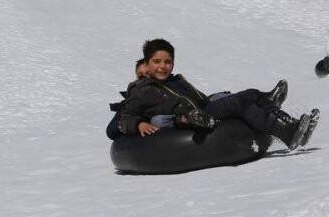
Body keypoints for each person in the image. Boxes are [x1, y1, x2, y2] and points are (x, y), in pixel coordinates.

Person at [116, 39, 317, 151]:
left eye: (167, 62)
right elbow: (125, 117)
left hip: (202, 110)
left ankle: (288, 122)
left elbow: (199, 98)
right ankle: (289, 132)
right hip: (190, 119)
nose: (163, 66)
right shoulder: (141, 89)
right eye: (157, 62)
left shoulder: (175, 80)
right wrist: (139, 124)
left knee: (250, 94)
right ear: (147, 64)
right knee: (240, 104)